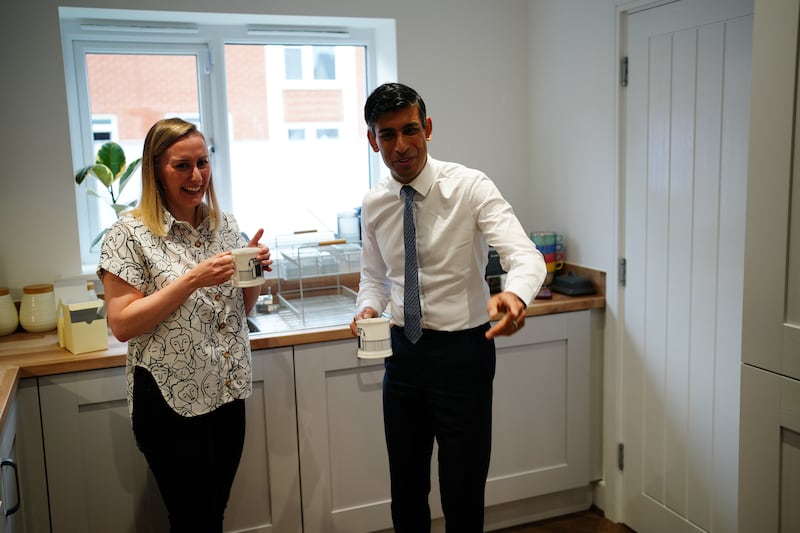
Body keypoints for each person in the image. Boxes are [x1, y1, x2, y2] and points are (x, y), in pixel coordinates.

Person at [350, 82, 546, 532]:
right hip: (402, 356)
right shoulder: (374, 201)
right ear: (372, 139)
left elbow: (525, 255)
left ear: (428, 128)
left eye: (410, 130)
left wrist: (515, 296)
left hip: (463, 356)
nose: (401, 146)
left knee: (462, 491)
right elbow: (374, 279)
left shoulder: (470, 186)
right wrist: (367, 308)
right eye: (387, 135)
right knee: (406, 490)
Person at [97, 117, 272, 532]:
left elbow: (241, 310)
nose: (196, 176)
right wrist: (192, 279)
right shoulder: (129, 234)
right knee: (193, 518)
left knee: (212, 514)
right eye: (182, 165)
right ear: (156, 169)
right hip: (169, 401)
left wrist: (255, 271)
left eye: (203, 163)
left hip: (227, 393)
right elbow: (122, 323)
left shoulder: (224, 225)